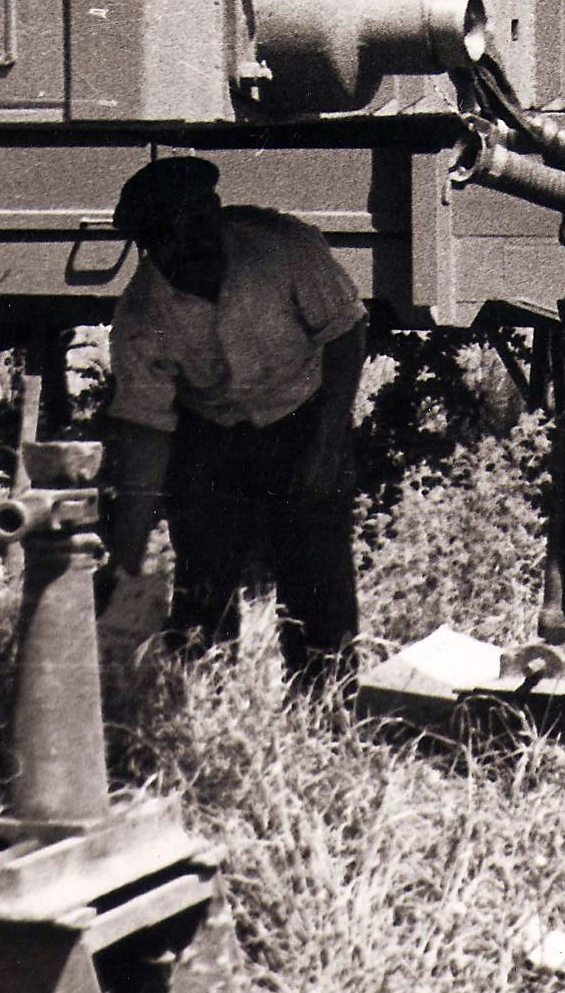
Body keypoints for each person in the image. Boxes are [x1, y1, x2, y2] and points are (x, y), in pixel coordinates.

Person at [95, 155, 371, 674]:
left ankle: (326, 710)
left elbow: (345, 330)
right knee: (201, 582)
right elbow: (145, 431)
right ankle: (201, 702)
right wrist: (126, 560)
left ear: (214, 214)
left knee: (318, 580)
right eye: (167, 242)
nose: (186, 252)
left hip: (303, 416)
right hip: (212, 433)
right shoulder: (141, 313)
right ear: (150, 247)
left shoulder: (285, 249)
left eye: (196, 229)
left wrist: (328, 444)